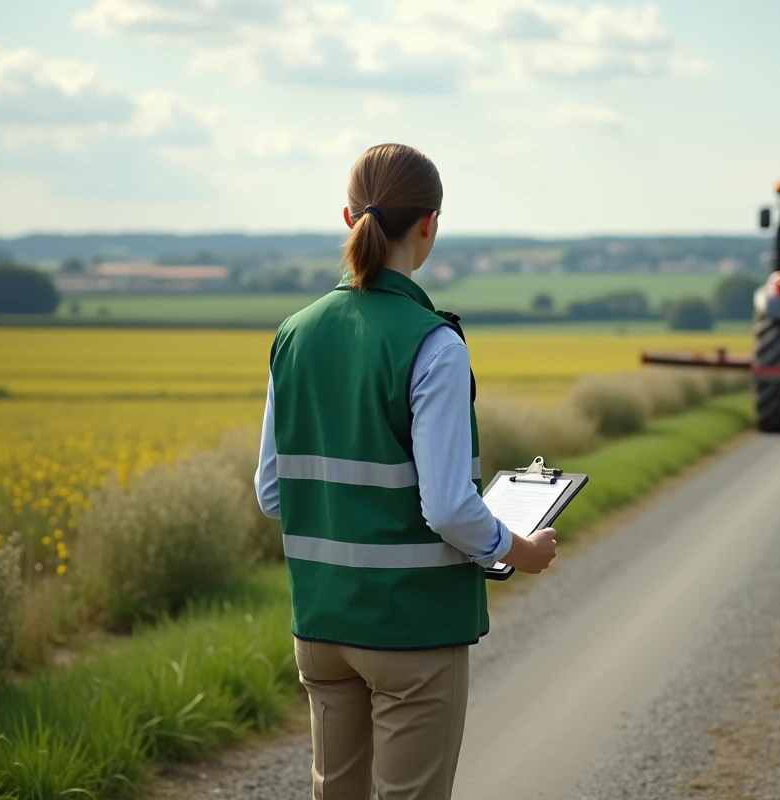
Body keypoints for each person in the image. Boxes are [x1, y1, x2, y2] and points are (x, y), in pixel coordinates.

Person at [254, 142, 558, 800]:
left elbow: (273, 492)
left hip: (321, 626)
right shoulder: (433, 343)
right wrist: (521, 551)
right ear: (430, 224)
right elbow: (448, 508)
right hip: (414, 631)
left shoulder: (293, 334)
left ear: (348, 217)